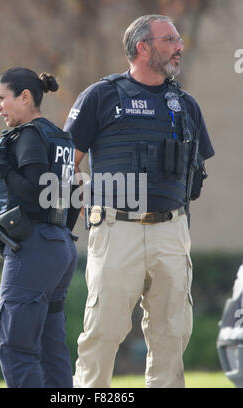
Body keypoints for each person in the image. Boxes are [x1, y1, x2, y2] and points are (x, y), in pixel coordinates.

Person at [64, 15, 215, 388]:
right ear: (142, 48)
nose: (180, 46)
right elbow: (68, 163)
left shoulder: (186, 104)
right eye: (170, 40)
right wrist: (74, 219)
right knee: (102, 332)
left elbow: (196, 173)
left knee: (171, 336)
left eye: (179, 39)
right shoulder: (100, 96)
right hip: (117, 230)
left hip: (172, 231)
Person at [0, 67, 78, 388]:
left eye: (1, 98)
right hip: (59, 244)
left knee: (17, 346)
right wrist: (59, 231)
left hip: (34, 248)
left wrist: (1, 166)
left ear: (24, 97)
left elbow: (35, 192)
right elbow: (75, 194)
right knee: (51, 348)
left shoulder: (29, 135)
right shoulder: (59, 136)